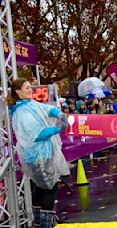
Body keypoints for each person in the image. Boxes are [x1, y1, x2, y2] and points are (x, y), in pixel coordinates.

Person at [6, 78, 70, 228]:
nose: (30, 90)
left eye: (30, 87)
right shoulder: (22, 112)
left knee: (40, 187)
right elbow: (36, 134)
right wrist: (58, 129)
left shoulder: (29, 104)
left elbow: (45, 109)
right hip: (37, 156)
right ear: (18, 91)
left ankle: (38, 221)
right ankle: (45, 223)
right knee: (49, 187)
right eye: (27, 88)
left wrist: (57, 113)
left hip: (41, 154)